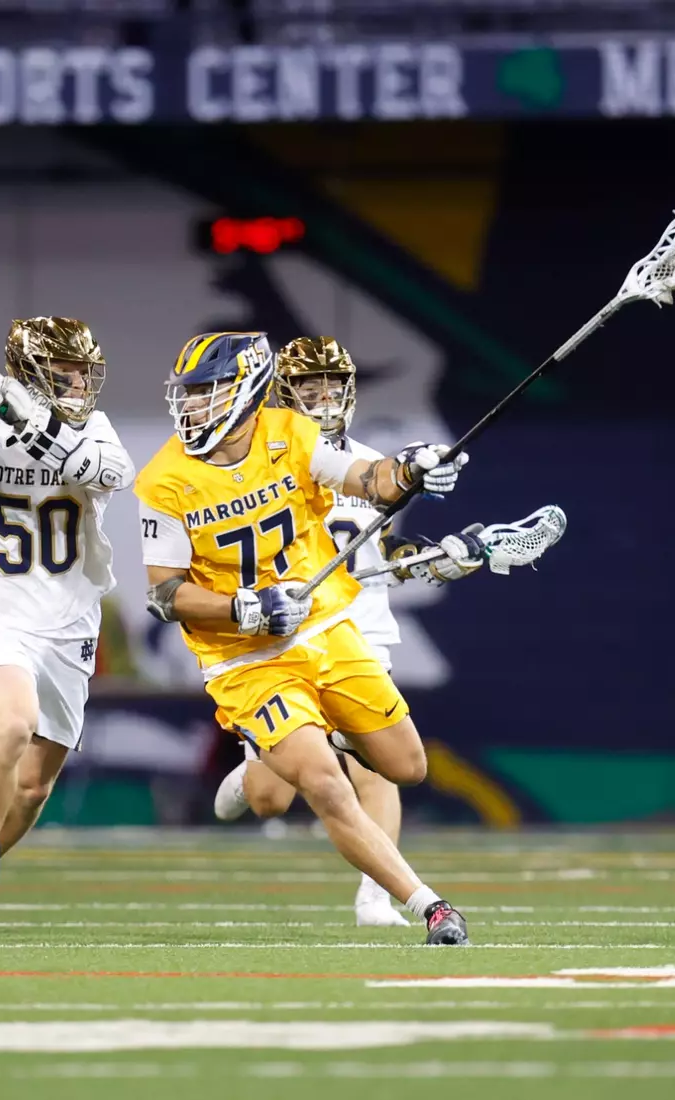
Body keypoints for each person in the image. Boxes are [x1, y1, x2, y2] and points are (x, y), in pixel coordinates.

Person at [135, 331, 484, 945]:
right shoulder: (164, 479)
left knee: (406, 766)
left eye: (205, 394)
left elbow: (367, 480)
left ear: (243, 393)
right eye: (187, 396)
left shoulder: (290, 435)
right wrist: (239, 608)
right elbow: (164, 594)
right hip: (245, 658)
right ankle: (430, 907)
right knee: (321, 782)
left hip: (325, 627)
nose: (191, 408)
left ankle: (316, 735)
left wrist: (411, 468)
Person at [0, 316, 134, 937]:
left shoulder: (94, 427)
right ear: (34, 373)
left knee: (35, 787)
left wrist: (30, 421)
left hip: (67, 622)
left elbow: (108, 475)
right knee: (13, 723)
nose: (79, 383)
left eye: (83, 371)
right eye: (66, 371)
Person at [214, 336, 441, 925]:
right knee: (270, 800)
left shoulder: (368, 463)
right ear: (283, 394)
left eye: (332, 386)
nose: (323, 398)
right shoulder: (263, 462)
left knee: (379, 767)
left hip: (358, 624)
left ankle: (377, 895)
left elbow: (385, 546)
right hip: (287, 636)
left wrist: (430, 554)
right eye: (308, 388)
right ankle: (253, 770)